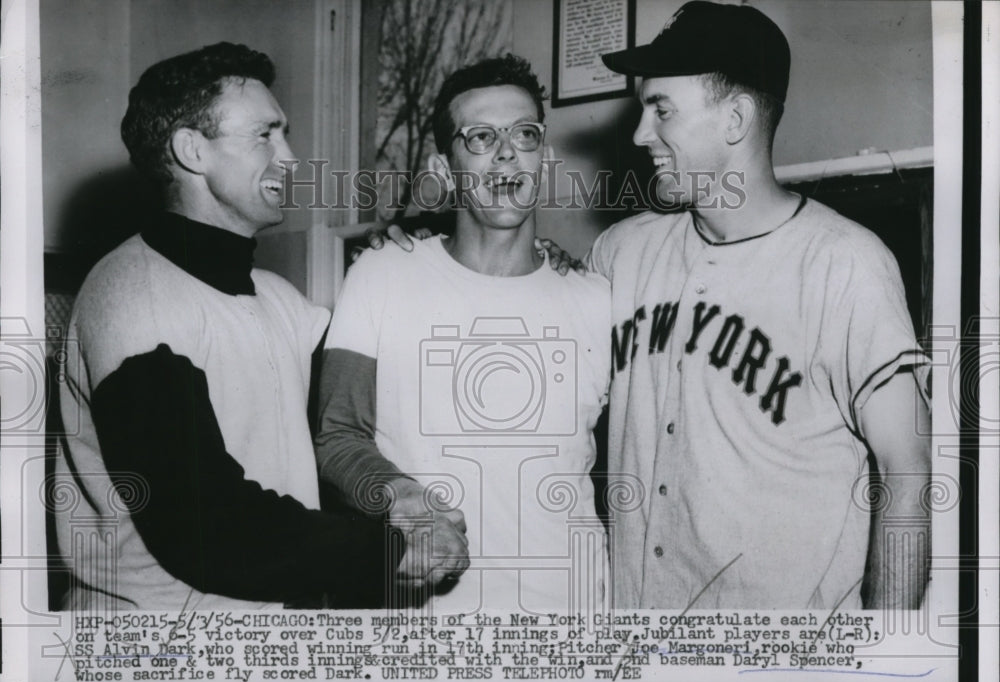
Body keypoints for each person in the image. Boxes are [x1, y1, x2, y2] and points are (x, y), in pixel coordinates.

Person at [54, 42, 467, 610]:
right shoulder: (131, 298)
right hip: (153, 649)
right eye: (265, 135)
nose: (291, 159)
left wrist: (433, 256)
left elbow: (360, 407)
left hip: (253, 631)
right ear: (192, 150)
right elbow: (210, 528)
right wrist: (392, 551)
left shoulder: (279, 300)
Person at [586, 0, 931, 609]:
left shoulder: (843, 263)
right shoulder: (620, 253)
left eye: (661, 109)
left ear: (736, 118)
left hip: (786, 658)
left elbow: (907, 472)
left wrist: (889, 650)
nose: (641, 134)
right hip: (641, 648)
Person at [315, 55, 611, 613]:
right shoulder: (382, 274)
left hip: (573, 616)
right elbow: (337, 436)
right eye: (480, 137)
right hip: (429, 621)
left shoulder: (597, 299)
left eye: (524, 134)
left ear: (545, 159)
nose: (506, 153)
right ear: (444, 168)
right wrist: (404, 501)